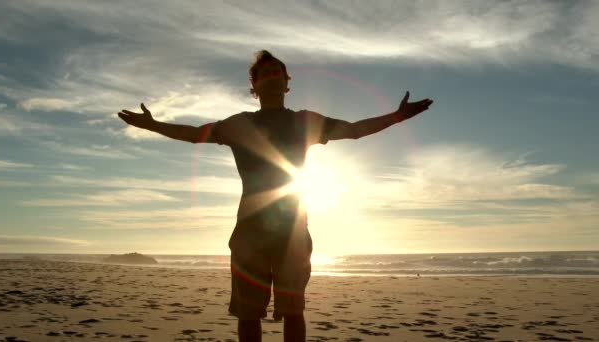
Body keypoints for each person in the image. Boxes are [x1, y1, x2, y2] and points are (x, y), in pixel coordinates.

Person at [117, 50, 433, 342]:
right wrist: (153, 125)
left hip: (293, 230)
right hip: (249, 231)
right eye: (263, 73)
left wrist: (397, 117)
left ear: (286, 82)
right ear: (254, 86)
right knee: (248, 312)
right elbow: (192, 134)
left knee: (293, 310)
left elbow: (354, 130)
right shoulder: (239, 124)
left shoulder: (303, 121)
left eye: (276, 71)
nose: (270, 76)